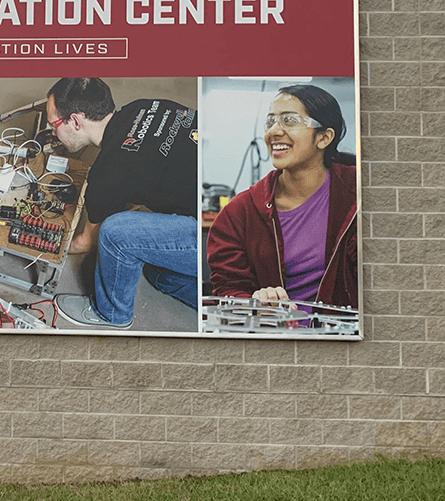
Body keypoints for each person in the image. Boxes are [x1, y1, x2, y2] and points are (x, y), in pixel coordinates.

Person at [46, 78, 199, 329]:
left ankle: (111, 315)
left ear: (75, 121)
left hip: (232, 235)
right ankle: (231, 297)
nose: (52, 132)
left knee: (117, 234)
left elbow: (88, 242)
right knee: (161, 275)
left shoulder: (108, 173)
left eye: (54, 125)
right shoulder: (143, 107)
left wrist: (45, 244)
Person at [207, 84, 358, 310]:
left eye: (289, 121)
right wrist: (255, 302)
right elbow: (228, 289)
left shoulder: (359, 192)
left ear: (324, 138)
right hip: (277, 336)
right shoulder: (238, 213)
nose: (273, 131)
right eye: (271, 121)